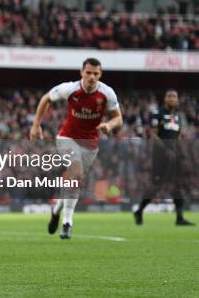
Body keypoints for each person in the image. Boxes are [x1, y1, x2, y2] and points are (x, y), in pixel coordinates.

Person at [30, 58, 122, 239]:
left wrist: (109, 126)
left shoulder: (107, 93)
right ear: (82, 72)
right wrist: (36, 125)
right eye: (88, 73)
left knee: (74, 181)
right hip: (67, 138)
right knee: (76, 174)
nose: (92, 77)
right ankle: (67, 223)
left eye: (96, 74)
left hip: (90, 144)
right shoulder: (69, 89)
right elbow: (46, 99)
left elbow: (118, 118)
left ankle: (56, 210)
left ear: (100, 75)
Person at [133, 89, 194, 226]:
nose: (172, 99)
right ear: (165, 99)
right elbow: (154, 135)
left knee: (178, 184)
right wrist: (166, 150)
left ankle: (179, 217)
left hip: (175, 155)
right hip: (161, 155)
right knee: (157, 185)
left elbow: (177, 136)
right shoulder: (158, 114)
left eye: (174, 97)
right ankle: (140, 210)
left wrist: (182, 153)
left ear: (177, 100)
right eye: (170, 96)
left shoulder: (178, 116)